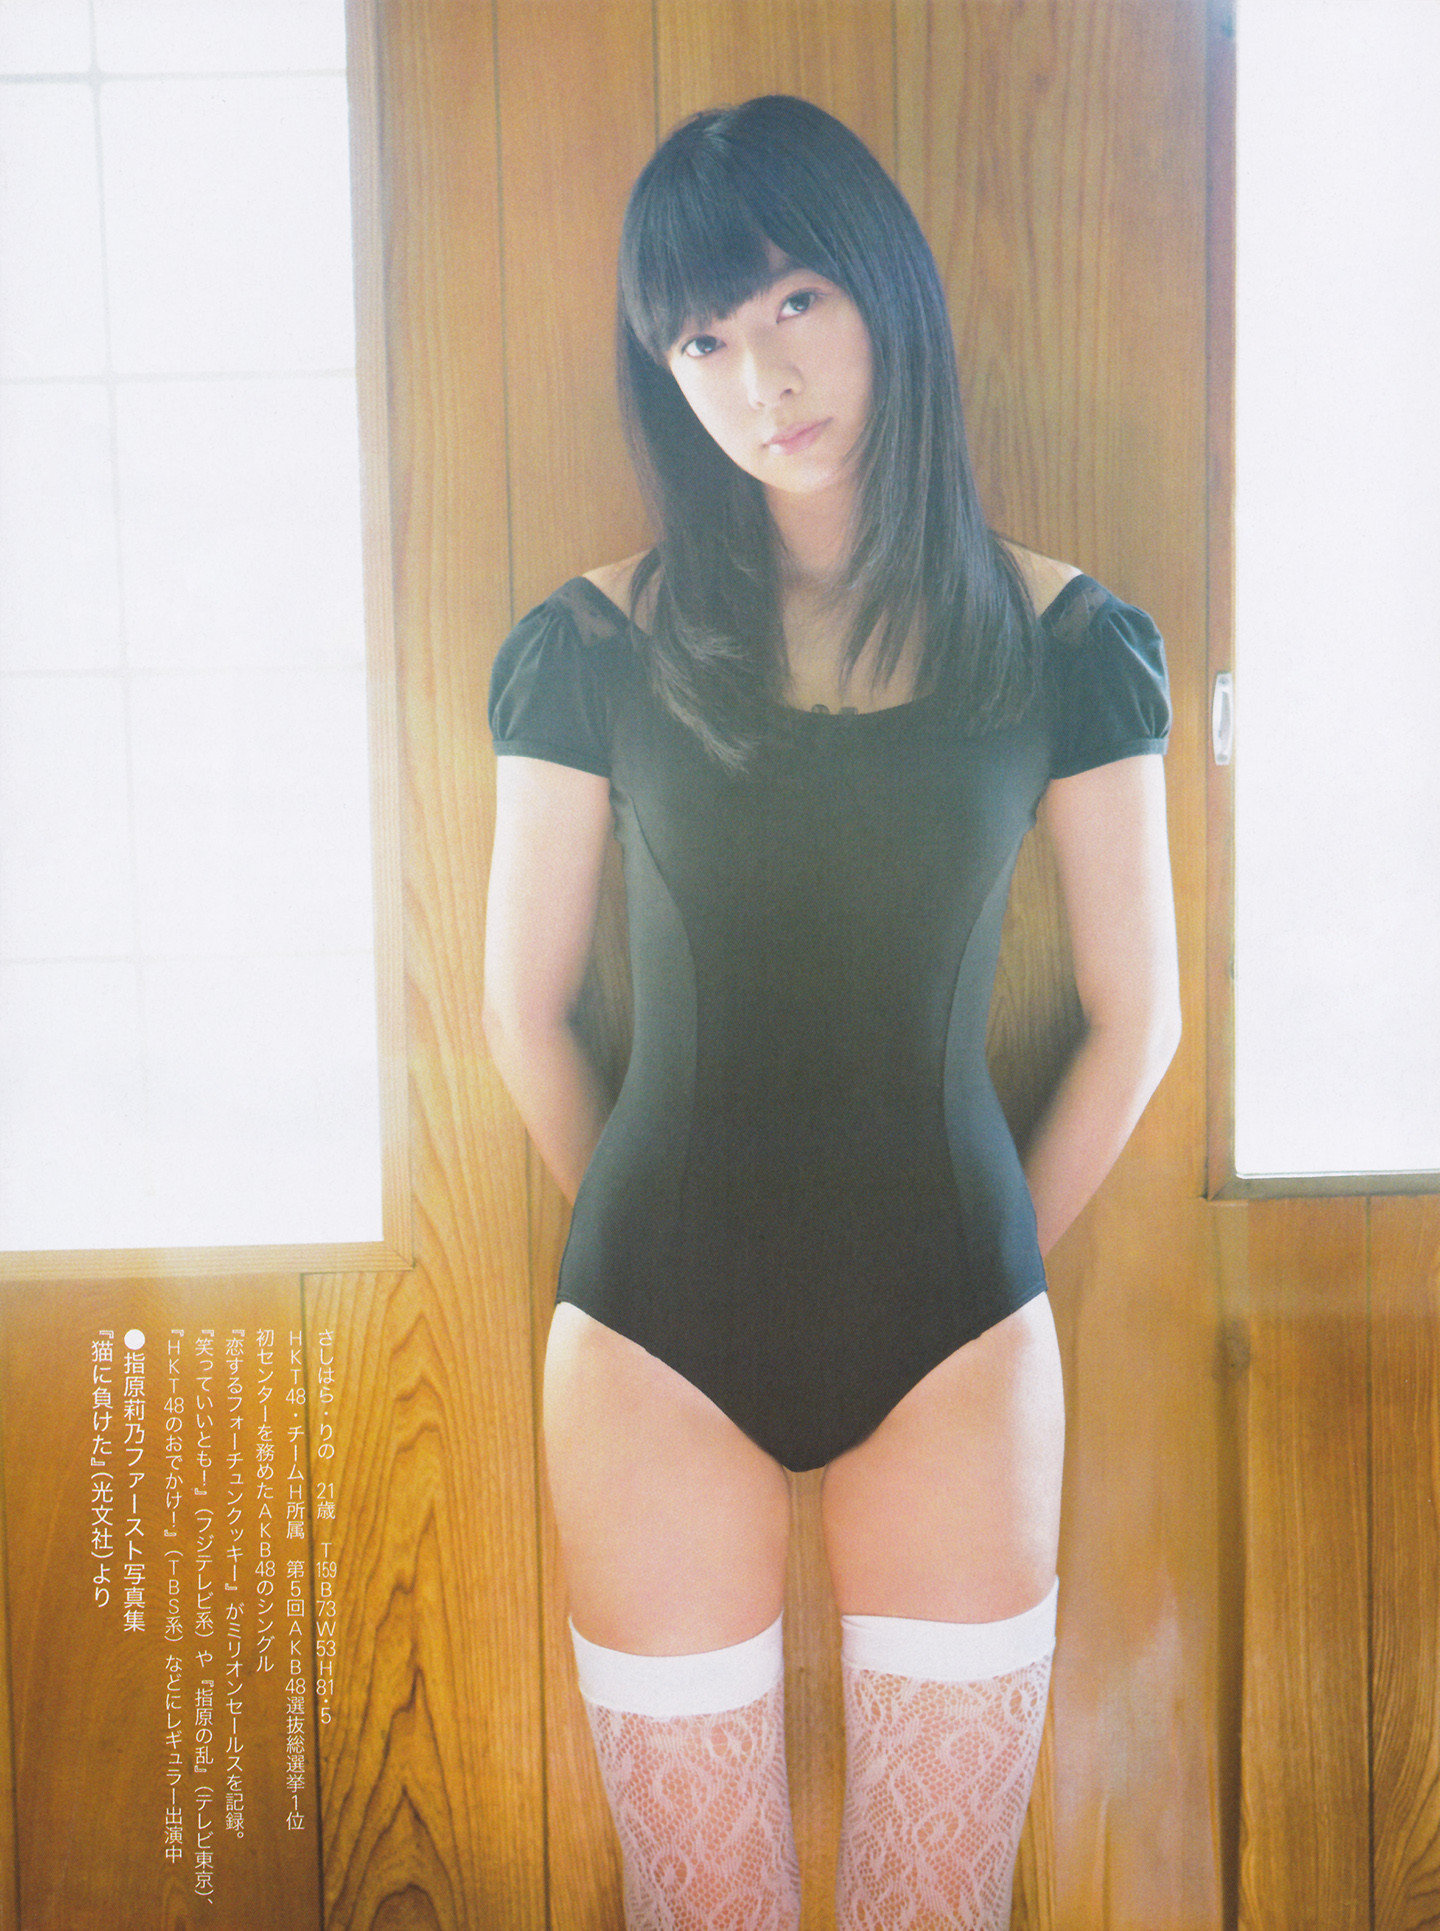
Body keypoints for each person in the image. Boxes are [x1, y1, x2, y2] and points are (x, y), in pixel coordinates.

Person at [483, 95, 1180, 1931]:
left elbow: (1138, 1015)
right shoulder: (589, 644)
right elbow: (524, 1009)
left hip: (959, 1325)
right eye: (701, 340)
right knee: (700, 1911)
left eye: (795, 301)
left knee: (934, 1914)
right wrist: (650, 1234)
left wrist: (988, 1250)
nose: (759, 378)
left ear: (886, 290)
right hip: (652, 1328)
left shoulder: (1069, 641)